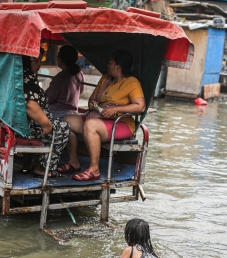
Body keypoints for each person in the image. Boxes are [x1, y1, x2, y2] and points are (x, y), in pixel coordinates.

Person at [58, 50, 145, 181]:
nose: (107, 65)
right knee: (66, 120)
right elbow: (92, 98)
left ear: (118, 66)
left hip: (121, 124)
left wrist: (115, 109)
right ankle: (73, 162)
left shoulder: (131, 83)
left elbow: (140, 106)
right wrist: (93, 103)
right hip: (98, 117)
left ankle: (94, 169)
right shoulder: (105, 79)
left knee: (90, 125)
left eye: (110, 62)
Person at [20, 49, 70, 177]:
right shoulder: (25, 79)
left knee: (57, 123)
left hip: (22, 123)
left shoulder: (24, 76)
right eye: (36, 61)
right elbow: (30, 105)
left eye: (40, 61)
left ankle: (29, 163)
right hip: (21, 126)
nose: (39, 64)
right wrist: (47, 125)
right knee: (62, 128)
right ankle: (42, 167)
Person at [45, 45, 85, 120]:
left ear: (61, 59)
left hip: (57, 113)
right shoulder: (80, 73)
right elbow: (81, 90)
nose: (56, 58)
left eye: (58, 56)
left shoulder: (60, 78)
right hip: (74, 111)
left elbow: (48, 98)